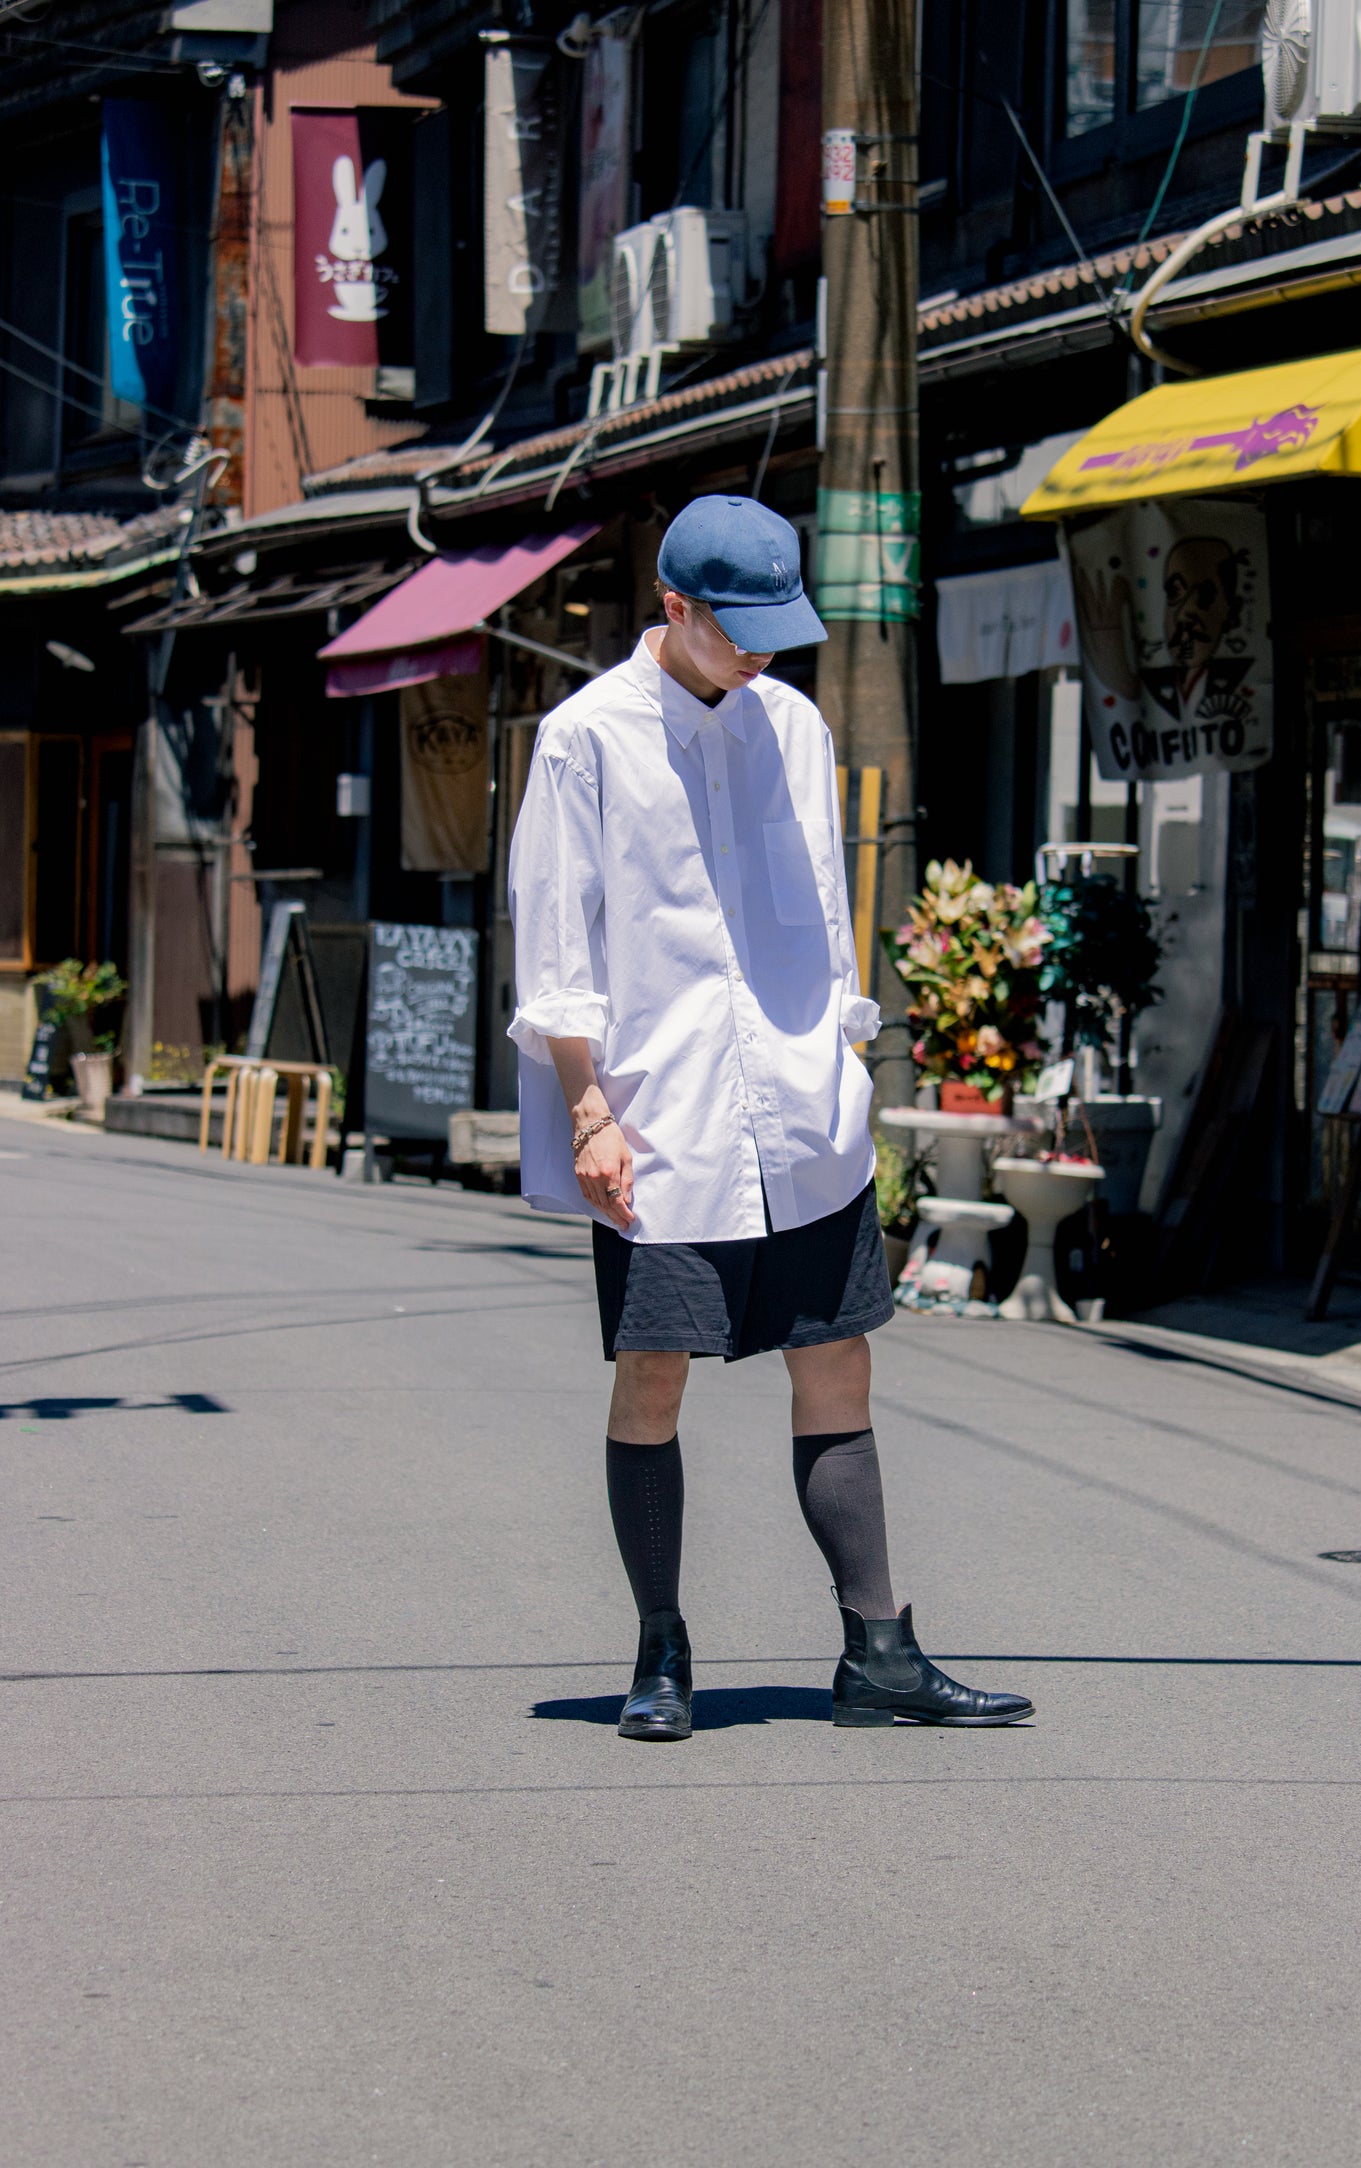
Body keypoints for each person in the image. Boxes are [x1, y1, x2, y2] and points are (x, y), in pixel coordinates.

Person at [507, 494, 1034, 1741]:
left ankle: (878, 1651)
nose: (759, 652)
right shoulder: (584, 738)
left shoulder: (793, 724)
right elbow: (558, 939)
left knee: (837, 1358)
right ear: (673, 605)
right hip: (661, 1115)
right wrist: (586, 1108)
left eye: (774, 629)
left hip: (798, 1113)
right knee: (653, 1375)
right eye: (735, 628)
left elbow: (822, 912)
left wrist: (843, 1063)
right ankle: (659, 1651)